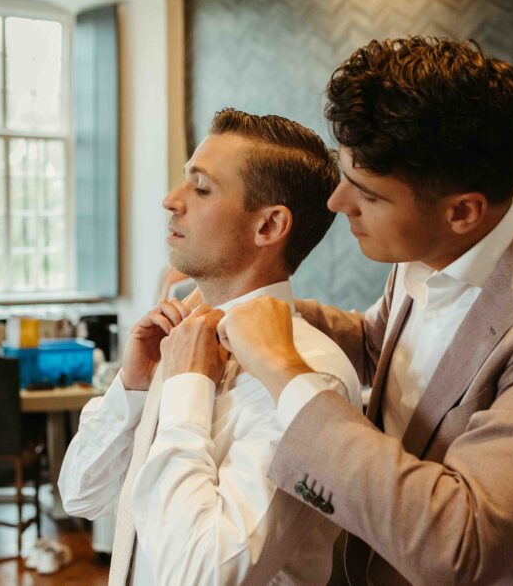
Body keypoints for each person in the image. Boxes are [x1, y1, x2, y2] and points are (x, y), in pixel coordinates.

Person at [218, 37, 513, 585]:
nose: (336, 203)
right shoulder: (428, 242)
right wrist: (254, 309)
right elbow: (383, 345)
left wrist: (284, 370)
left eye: (367, 194)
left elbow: (461, 544)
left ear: (463, 212)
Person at [59, 109, 362, 585]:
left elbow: (202, 575)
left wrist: (188, 392)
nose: (170, 200)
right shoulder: (177, 341)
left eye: (201, 189)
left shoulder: (308, 377)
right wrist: (132, 388)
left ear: (269, 226)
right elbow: (83, 495)